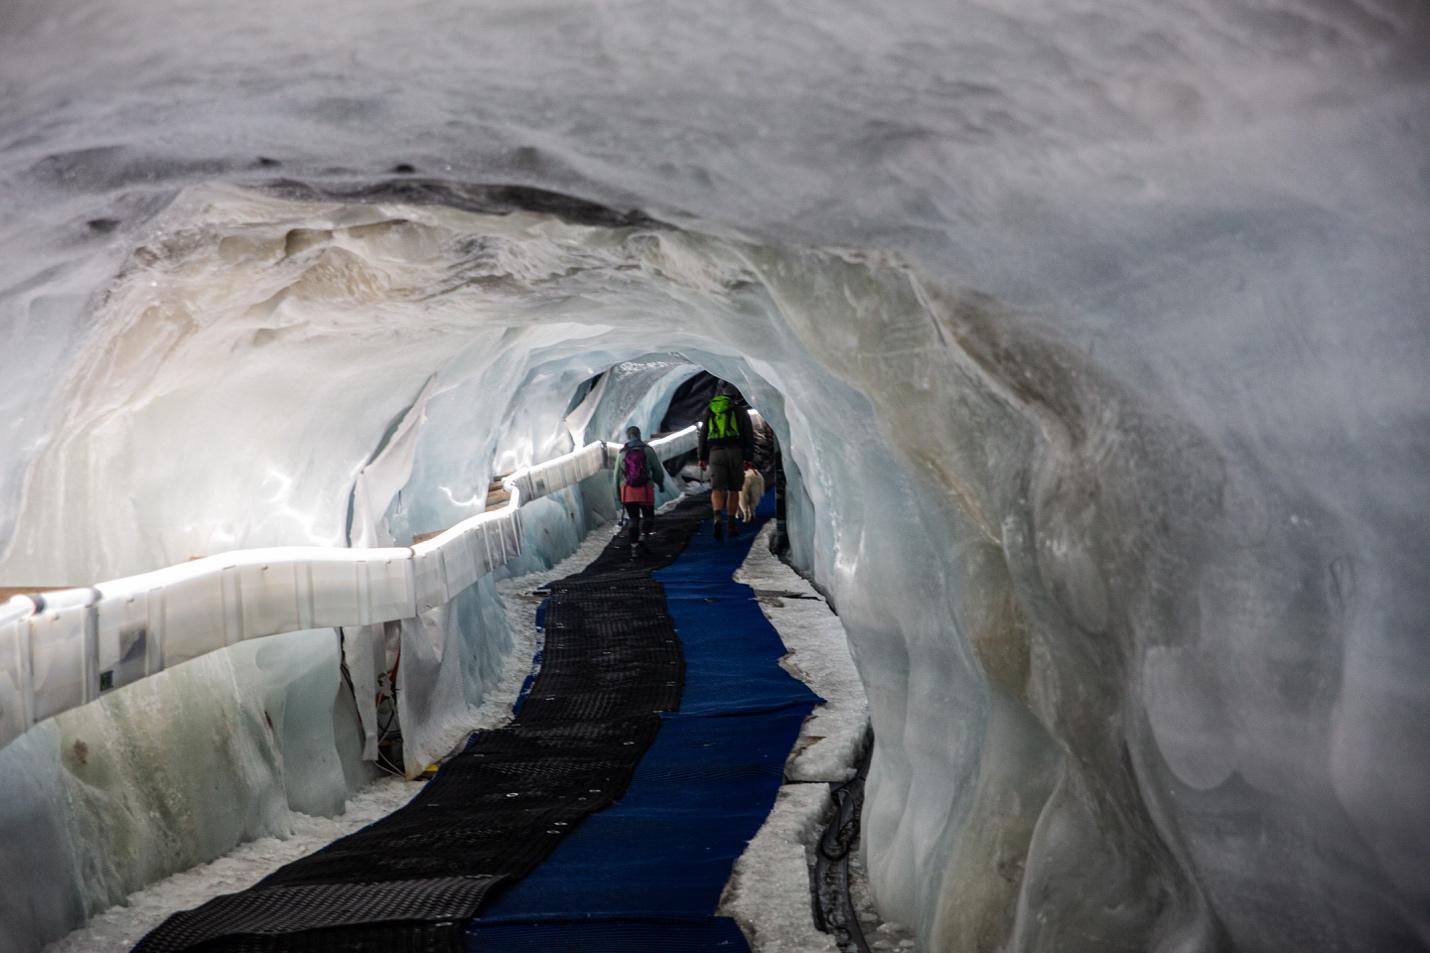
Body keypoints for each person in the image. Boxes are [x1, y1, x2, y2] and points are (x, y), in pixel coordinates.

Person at [697, 381, 754, 539]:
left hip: (715, 453)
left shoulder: (711, 409)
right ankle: (731, 523)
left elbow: (703, 434)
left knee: (717, 488)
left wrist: (701, 456)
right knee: (734, 489)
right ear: (736, 395)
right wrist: (748, 457)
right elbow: (748, 436)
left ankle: (716, 519)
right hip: (735, 452)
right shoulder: (741, 411)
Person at [613, 425, 666, 557]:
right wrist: (660, 484)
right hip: (645, 490)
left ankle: (634, 548)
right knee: (648, 516)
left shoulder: (622, 453)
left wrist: (618, 496)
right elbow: (658, 470)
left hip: (628, 491)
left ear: (628, 436)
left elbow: (616, 476)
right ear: (639, 435)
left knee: (633, 519)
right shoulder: (648, 450)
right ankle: (643, 536)